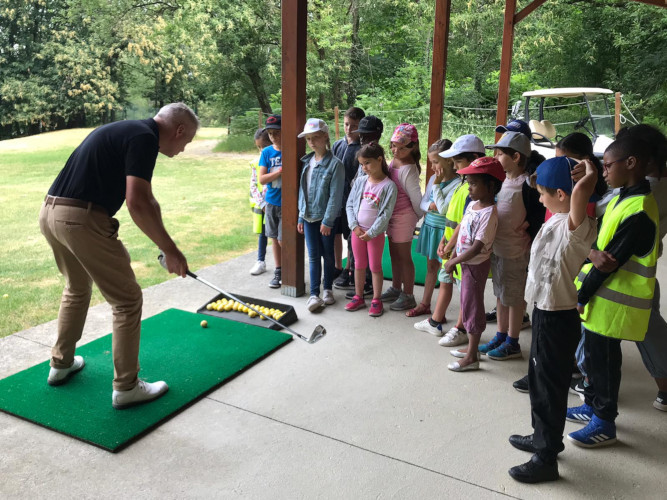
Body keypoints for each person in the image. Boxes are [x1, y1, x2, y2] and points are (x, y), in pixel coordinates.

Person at [40, 102, 197, 409]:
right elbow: (136, 201)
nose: (183, 149)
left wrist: (164, 241)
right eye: (186, 141)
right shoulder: (145, 138)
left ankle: (60, 364)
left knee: (77, 288)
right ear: (178, 130)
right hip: (80, 219)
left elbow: (148, 202)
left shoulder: (127, 129)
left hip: (51, 213)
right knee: (127, 301)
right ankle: (126, 387)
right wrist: (171, 250)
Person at [507, 156, 598, 483]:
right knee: (538, 380)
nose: (539, 198)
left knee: (549, 388)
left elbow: (579, 199)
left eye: (544, 193)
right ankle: (542, 435)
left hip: (558, 318)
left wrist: (589, 176)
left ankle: (546, 457)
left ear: (562, 194)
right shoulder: (557, 219)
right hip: (544, 312)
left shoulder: (578, 225)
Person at [566, 136, 659, 448]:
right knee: (593, 359)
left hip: (613, 304)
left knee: (604, 364)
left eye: (607, 166)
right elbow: (599, 250)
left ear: (630, 163)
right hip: (601, 302)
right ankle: (591, 406)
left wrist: (580, 296)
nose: (604, 172)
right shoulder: (622, 198)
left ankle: (604, 422)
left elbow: (610, 263)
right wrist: (591, 253)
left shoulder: (641, 209)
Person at [413, 134, 484, 346]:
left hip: (461, 247)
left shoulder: (468, 187)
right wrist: (446, 241)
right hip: (449, 240)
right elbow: (434, 208)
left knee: (462, 287)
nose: (453, 165)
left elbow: (452, 214)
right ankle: (437, 319)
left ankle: (458, 327)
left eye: (457, 161)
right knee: (445, 279)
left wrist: (451, 245)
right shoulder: (464, 184)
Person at [480, 132, 544, 361]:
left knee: (515, 298)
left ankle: (513, 342)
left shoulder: (528, 183)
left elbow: (538, 212)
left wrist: (526, 226)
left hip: (516, 251)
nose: (495, 157)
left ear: (516, 156)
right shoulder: (502, 180)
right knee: (500, 294)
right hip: (498, 248)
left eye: (499, 153)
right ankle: (501, 334)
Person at [443, 157, 504, 371]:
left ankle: (471, 358)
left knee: (473, 308)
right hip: (464, 263)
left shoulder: (489, 213)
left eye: (474, 184)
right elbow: (461, 226)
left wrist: (453, 262)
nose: (469, 188)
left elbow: (478, 246)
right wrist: (450, 246)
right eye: (468, 183)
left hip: (474, 266)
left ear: (491, 186)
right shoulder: (473, 204)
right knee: (467, 305)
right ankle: (472, 348)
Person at [297, 118, 345, 312]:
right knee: (313, 255)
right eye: (308, 139)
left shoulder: (335, 165)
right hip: (308, 217)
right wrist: (301, 215)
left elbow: (335, 195)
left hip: (325, 218)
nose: (311, 142)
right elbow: (303, 191)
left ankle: (328, 289)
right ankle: (314, 294)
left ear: (325, 136)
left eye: (315, 137)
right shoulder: (307, 162)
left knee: (328, 254)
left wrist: (328, 220)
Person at [345, 143, 398, 316]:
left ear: (379, 160)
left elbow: (385, 214)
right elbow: (350, 205)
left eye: (367, 163)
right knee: (358, 264)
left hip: (374, 235)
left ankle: (376, 299)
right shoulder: (360, 181)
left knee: (375, 266)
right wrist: (355, 227)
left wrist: (372, 233)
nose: (364, 168)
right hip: (357, 232)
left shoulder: (389, 186)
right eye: (361, 164)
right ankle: (358, 297)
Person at [408, 139, 457, 318]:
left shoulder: (457, 183)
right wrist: (431, 205)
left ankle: (440, 313)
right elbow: (423, 202)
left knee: (446, 272)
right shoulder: (432, 179)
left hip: (445, 232)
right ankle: (425, 304)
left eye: (436, 162)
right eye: (431, 162)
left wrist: (436, 186)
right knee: (431, 267)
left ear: (450, 160)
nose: (433, 166)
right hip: (430, 227)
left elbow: (444, 209)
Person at [340, 115, 385, 300]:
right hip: (357, 213)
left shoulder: (376, 160)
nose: (363, 138)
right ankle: (354, 277)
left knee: (371, 259)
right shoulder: (361, 155)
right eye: (362, 135)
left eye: (368, 135)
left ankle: (368, 286)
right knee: (354, 245)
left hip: (371, 218)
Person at [380, 124, 424, 311]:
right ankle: (396, 288)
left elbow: (417, 199)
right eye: (393, 145)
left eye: (401, 147)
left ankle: (408, 295)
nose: (395, 150)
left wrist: (416, 217)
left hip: (404, 216)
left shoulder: (408, 169)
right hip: (392, 214)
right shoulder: (395, 161)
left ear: (413, 147)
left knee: (404, 256)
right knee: (393, 254)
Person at [331, 107, 365, 288]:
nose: (349, 129)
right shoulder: (337, 145)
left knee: (351, 236)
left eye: (354, 125)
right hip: (336, 200)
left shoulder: (362, 149)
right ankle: (337, 266)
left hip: (353, 203)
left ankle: (349, 268)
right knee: (336, 233)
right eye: (346, 124)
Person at [258, 114, 283, 288]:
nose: (273, 136)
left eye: (277, 132)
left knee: (284, 239)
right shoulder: (267, 152)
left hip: (288, 203)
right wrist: (279, 172)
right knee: (274, 238)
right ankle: (278, 270)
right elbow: (262, 179)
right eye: (270, 133)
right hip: (272, 201)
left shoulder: (291, 149)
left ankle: (289, 268)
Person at [249, 128, 272, 276]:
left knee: (278, 236)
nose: (261, 150)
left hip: (275, 203)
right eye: (258, 147)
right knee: (262, 234)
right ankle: (260, 260)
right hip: (263, 206)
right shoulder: (256, 163)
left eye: (263, 146)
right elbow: (253, 185)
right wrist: (262, 204)